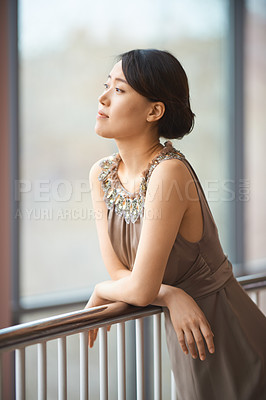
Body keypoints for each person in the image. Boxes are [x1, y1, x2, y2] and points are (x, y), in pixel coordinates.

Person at [85, 49, 266, 399]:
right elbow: (121, 271)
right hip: (190, 334)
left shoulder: (169, 172)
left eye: (119, 90)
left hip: (229, 333)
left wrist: (104, 289)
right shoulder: (101, 174)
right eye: (106, 85)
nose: (102, 97)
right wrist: (170, 295)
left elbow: (136, 289)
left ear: (155, 111)